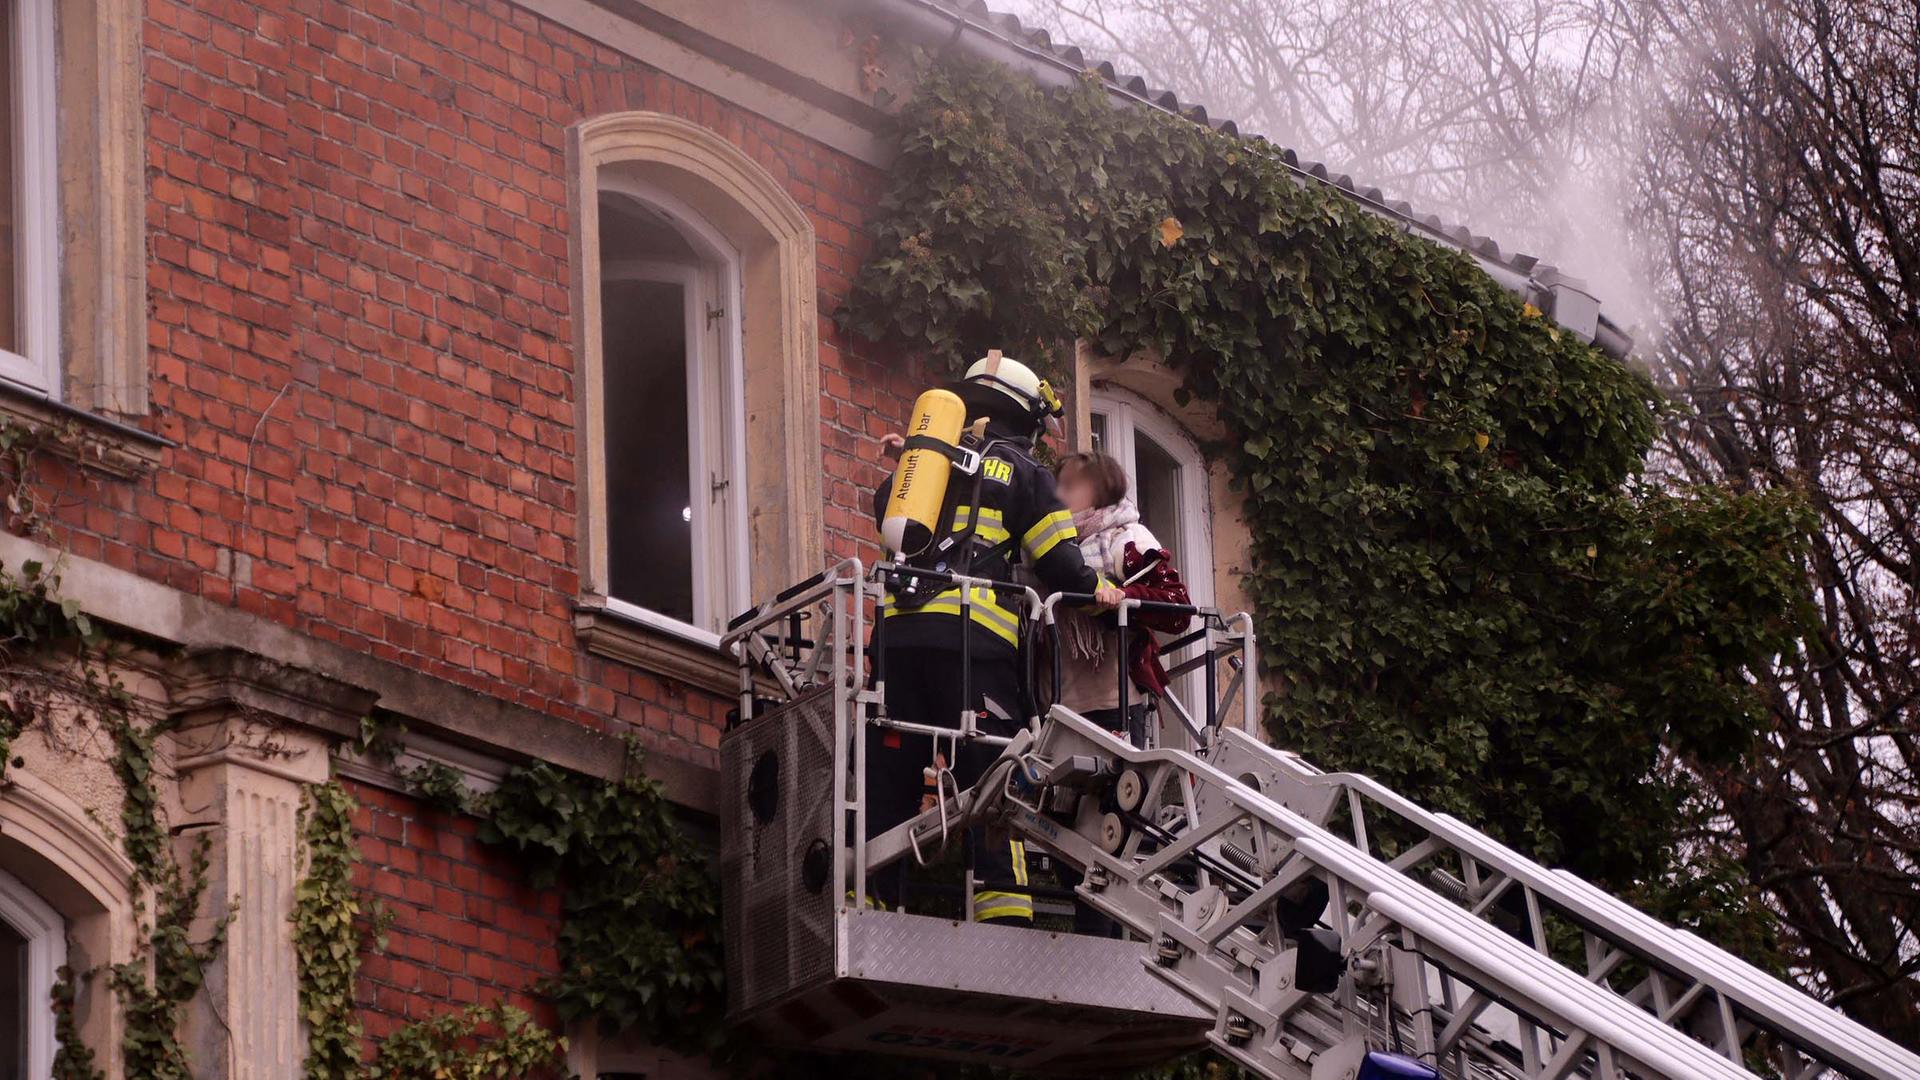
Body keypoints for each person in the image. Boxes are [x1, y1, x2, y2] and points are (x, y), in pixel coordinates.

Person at [866, 352, 1118, 925]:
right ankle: (1005, 909)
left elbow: (887, 515)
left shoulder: (922, 468)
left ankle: (875, 900)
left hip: (897, 644)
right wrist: (1103, 593)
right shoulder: (1024, 473)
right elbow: (1062, 567)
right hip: (973, 647)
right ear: (1027, 418)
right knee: (995, 775)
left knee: (890, 774)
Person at [1049, 450, 1192, 936]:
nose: (1060, 495)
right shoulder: (1051, 546)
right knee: (1064, 837)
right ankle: (1091, 940)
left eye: (1071, 486)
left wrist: (1123, 597)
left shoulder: (1125, 536)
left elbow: (1177, 606)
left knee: (1108, 831)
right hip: (1063, 708)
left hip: (1115, 703)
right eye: (1058, 485)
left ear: (1101, 489)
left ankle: (1106, 941)